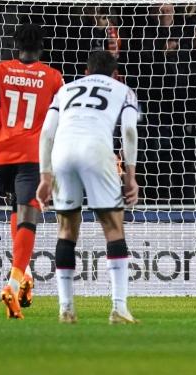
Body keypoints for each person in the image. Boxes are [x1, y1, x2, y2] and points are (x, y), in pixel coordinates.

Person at [0, 24, 64, 319]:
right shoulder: (53, 77)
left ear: (15, 45)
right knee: (29, 216)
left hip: (2, 155)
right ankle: (12, 284)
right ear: (42, 47)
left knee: (15, 208)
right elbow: (65, 116)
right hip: (33, 156)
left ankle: (27, 277)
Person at [36, 50, 139, 324]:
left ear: (85, 72)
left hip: (62, 153)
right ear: (116, 74)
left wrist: (45, 176)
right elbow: (129, 131)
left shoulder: (65, 90)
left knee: (66, 230)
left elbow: (46, 132)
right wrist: (130, 175)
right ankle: (118, 308)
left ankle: (65, 309)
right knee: (113, 228)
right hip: (97, 151)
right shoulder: (124, 90)